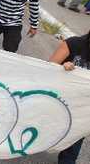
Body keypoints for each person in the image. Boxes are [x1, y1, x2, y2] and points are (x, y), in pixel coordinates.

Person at [49, 29, 89, 164]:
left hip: (82, 113)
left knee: (70, 155)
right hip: (58, 103)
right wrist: (62, 69)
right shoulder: (74, 44)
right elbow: (46, 70)